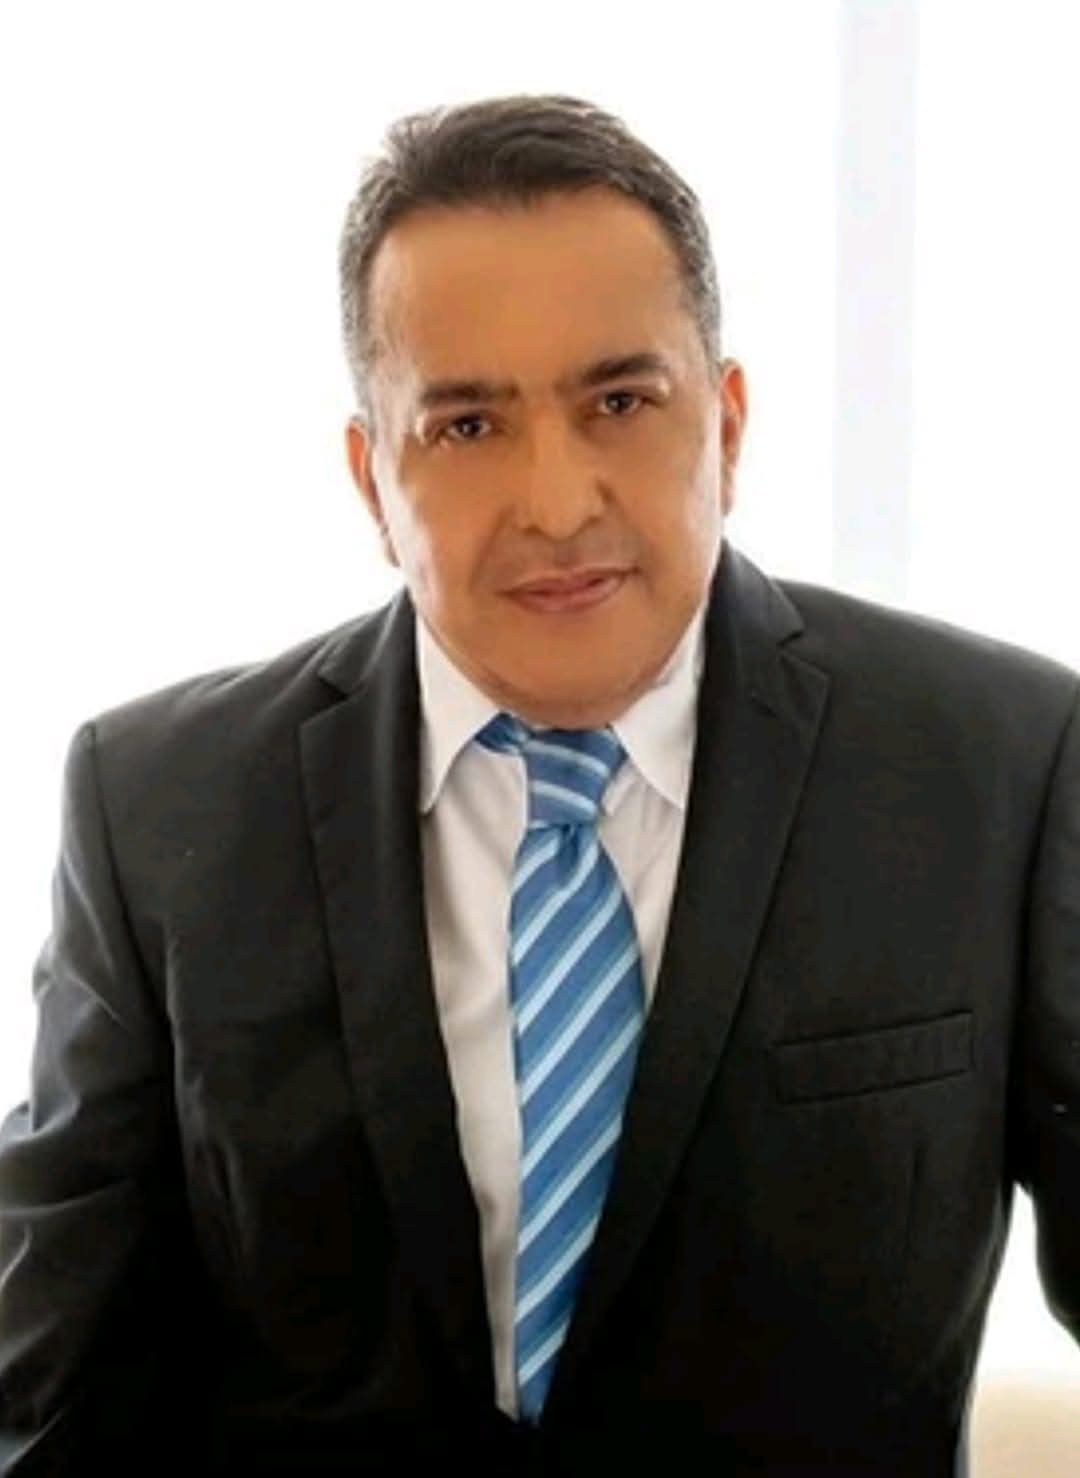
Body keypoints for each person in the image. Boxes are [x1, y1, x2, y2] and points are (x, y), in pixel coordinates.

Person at [0, 91, 1077, 1477]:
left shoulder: (998, 763)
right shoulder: (157, 808)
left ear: (728, 424)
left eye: (620, 402)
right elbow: (50, 1390)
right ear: (370, 479)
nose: (559, 504)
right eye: (466, 427)